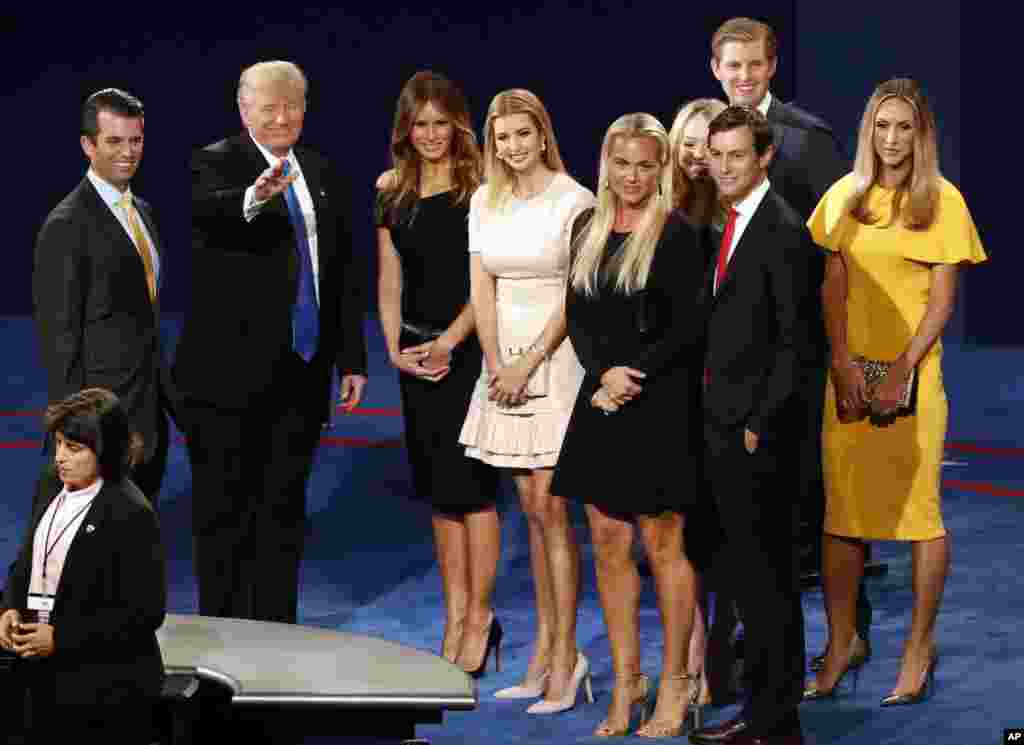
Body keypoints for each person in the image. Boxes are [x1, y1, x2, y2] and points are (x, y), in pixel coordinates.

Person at [803, 78, 986, 707]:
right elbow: (831, 288)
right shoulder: (845, 197)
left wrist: (905, 366)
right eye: (881, 126)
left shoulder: (943, 201)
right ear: (867, 132)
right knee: (842, 517)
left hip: (914, 374)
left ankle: (917, 645)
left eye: (903, 127)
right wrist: (842, 363)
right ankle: (841, 642)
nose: (891, 139)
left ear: (921, 134)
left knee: (919, 516)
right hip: (848, 374)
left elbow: (942, 299)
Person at [174, 61, 367, 623]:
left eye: (292, 107)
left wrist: (349, 358)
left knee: (284, 510)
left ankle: (279, 636)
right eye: (268, 108)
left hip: (301, 376)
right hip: (226, 381)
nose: (281, 118)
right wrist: (255, 197)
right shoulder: (213, 163)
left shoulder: (323, 171)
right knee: (225, 514)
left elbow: (339, 272)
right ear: (244, 111)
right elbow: (211, 210)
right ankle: (226, 638)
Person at [709, 15, 867, 672]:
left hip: (792, 354)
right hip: (727, 357)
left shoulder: (808, 141)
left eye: (754, 64)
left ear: (772, 67)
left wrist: (835, 354)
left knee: (805, 501)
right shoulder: (704, 134)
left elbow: (840, 251)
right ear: (715, 68)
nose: (743, 76)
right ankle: (750, 639)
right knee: (740, 515)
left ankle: (836, 636)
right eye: (731, 65)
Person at [554, 113, 705, 737]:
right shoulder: (588, 226)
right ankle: (626, 683)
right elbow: (579, 315)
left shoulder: (677, 233)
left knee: (663, 544)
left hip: (659, 405)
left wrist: (629, 374)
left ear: (661, 167)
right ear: (607, 165)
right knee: (608, 543)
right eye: (623, 164)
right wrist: (602, 374)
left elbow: (688, 328)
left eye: (646, 164)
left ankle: (676, 684)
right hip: (601, 402)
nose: (634, 176)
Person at [458, 89, 594, 713]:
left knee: (551, 506)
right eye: (502, 137)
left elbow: (576, 293)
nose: (513, 147)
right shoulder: (484, 200)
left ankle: (567, 657)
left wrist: (528, 362)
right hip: (501, 364)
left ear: (543, 134)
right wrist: (495, 363)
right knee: (529, 509)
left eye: (522, 134)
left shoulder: (575, 201)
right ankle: (543, 652)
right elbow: (480, 288)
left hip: (554, 359)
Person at [689, 106, 813, 745]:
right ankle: (763, 713)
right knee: (746, 579)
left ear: (763, 157)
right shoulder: (726, 223)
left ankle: (773, 720)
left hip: (757, 440)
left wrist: (758, 426)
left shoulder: (782, 229)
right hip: (721, 430)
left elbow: (795, 344)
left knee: (767, 584)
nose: (726, 166)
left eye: (738, 155)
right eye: (718, 155)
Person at [375, 71, 499, 671]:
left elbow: (488, 283)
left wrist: (451, 342)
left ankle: (481, 615)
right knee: (441, 496)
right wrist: (395, 347)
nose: (430, 134)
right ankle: (454, 612)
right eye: (419, 124)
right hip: (415, 358)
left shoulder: (482, 189)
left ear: (458, 125)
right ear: (406, 129)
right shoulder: (391, 189)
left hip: (468, 353)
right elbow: (390, 277)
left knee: (473, 493)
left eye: (440, 123)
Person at [0, 388, 166, 744]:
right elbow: (29, 559)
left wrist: (62, 637)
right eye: (58, 444)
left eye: (73, 448)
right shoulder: (50, 485)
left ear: (104, 450)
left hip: (104, 692)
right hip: (41, 679)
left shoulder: (131, 512)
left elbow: (145, 613)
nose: (60, 457)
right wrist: (10, 606)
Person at [33, 88, 172, 505]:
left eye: (136, 140)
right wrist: (79, 440)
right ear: (87, 145)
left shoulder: (143, 212)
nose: (128, 152)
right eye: (114, 141)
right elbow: (61, 344)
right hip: (102, 427)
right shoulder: (66, 225)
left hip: (146, 420)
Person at [667, 97, 729, 708]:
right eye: (687, 141)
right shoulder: (659, 215)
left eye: (706, 142)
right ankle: (690, 660)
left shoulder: (735, 217)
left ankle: (712, 657)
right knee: (678, 536)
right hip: (669, 390)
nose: (695, 154)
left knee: (714, 536)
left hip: (719, 391)